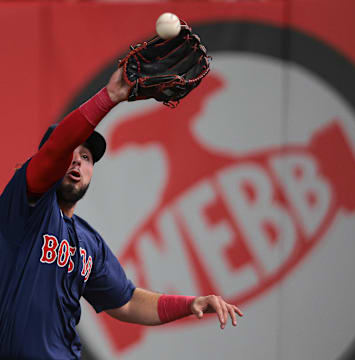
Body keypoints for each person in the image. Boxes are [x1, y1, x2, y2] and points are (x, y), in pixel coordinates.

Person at [0, 67, 243, 360]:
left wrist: (189, 304)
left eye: (86, 158)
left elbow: (126, 301)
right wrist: (109, 97)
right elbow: (54, 151)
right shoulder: (25, 206)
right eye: (71, 155)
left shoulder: (89, 243)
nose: (77, 162)